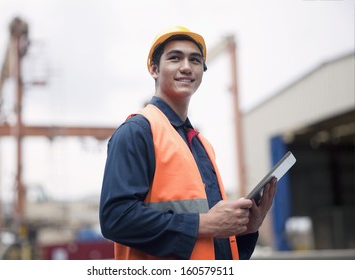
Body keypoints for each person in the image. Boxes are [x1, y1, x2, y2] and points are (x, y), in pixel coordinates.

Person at [99, 26, 277, 260]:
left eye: (195, 60)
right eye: (175, 58)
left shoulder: (201, 144)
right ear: (154, 69)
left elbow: (211, 232)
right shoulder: (137, 132)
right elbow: (116, 219)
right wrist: (203, 224)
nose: (186, 66)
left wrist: (245, 227)